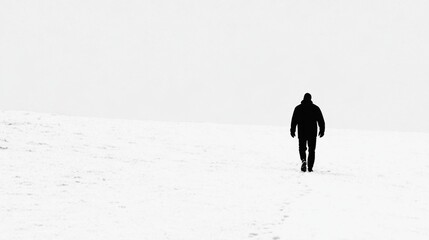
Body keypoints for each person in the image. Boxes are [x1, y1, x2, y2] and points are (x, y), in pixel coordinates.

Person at [290, 93, 325, 172]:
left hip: (302, 132)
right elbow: (321, 120)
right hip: (312, 133)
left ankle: (303, 160)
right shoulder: (315, 108)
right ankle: (310, 167)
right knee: (311, 150)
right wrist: (322, 130)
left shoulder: (298, 108)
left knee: (302, 148)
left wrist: (292, 130)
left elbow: (294, 121)